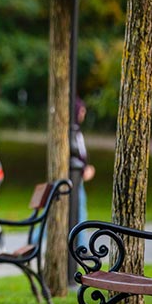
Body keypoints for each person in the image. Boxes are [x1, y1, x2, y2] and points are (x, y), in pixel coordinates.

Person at [70, 97, 96, 246]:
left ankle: (82, 246)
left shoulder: (77, 131)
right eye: (82, 110)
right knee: (80, 212)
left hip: (77, 178)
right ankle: (82, 248)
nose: (83, 113)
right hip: (75, 179)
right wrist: (83, 170)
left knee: (80, 211)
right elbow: (75, 155)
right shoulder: (73, 132)